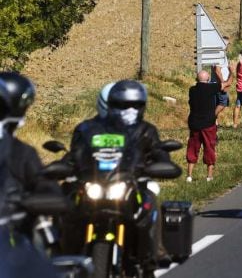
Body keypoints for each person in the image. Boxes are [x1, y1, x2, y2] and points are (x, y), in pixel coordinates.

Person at [63, 81, 174, 265]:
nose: (128, 110)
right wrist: (63, 167)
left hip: (129, 182)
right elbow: (75, 154)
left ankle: (155, 249)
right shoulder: (87, 129)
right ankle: (60, 247)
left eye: (133, 106)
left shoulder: (144, 130)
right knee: (68, 197)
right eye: (121, 105)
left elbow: (157, 151)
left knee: (149, 199)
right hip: (95, 182)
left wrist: (160, 164)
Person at [0, 73, 63, 240]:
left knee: (44, 236)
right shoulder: (21, 152)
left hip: (11, 244)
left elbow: (50, 191)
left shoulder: (20, 153)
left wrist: (24, 201)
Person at [186, 70, 218, 182]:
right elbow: (226, 84)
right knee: (209, 148)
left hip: (194, 123)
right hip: (208, 124)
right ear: (208, 79)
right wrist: (228, 72)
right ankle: (209, 176)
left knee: (193, 148)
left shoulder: (192, 90)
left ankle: (189, 175)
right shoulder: (211, 89)